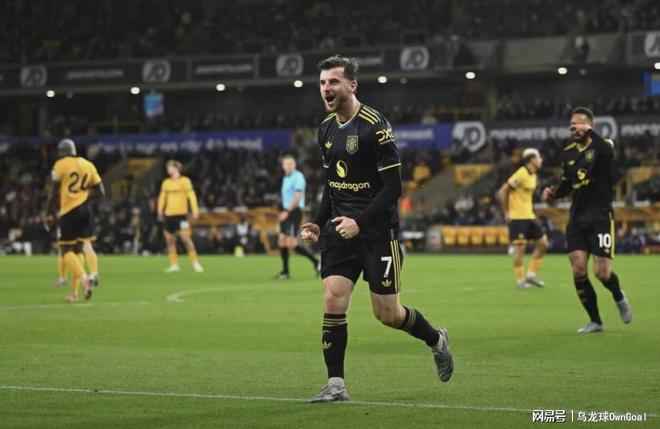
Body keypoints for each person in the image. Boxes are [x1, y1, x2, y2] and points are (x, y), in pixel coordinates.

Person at [301, 55, 454, 403]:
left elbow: (393, 188)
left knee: (388, 314)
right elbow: (331, 185)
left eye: (333, 81)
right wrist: (317, 222)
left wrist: (360, 222)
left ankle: (436, 340)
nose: (326, 88)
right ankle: (335, 385)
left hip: (376, 232)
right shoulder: (325, 129)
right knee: (333, 298)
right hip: (340, 229)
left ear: (352, 85)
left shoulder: (376, 127)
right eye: (322, 82)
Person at [542, 107, 632, 333]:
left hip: (600, 216)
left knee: (602, 273)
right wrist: (554, 193)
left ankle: (618, 296)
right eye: (571, 125)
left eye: (578, 124)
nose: (573, 128)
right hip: (577, 218)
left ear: (590, 126)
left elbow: (608, 153)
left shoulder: (602, 146)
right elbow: (567, 184)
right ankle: (595, 321)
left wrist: (590, 131)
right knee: (579, 269)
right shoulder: (568, 152)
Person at [44, 139, 104, 302]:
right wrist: (85, 199)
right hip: (86, 210)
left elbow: (53, 193)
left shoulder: (61, 165)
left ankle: (84, 279)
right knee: (82, 247)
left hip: (69, 211)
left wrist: (47, 213)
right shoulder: (88, 164)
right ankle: (86, 281)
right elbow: (101, 191)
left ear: (62, 152)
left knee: (66, 250)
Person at [496, 148, 548, 288]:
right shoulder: (521, 173)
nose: (541, 160)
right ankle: (520, 280)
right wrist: (506, 212)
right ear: (532, 159)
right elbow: (503, 191)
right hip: (518, 217)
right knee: (520, 248)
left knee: (543, 243)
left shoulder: (533, 175)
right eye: (538, 157)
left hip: (529, 216)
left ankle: (531, 274)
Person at [276, 155, 320, 279]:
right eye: (286, 164)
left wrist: (287, 211)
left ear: (295, 165)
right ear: (283, 166)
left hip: (294, 211)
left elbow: (298, 195)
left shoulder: (298, 176)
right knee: (282, 241)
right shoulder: (286, 178)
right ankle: (285, 272)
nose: (289, 166)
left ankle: (316, 262)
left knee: (291, 244)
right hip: (286, 211)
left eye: (291, 163)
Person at [157, 160, 203, 273]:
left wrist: (195, 209)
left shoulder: (185, 181)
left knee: (186, 239)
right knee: (170, 240)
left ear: (176, 168)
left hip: (181, 215)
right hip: (169, 215)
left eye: (170, 167)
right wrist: (160, 209)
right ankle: (174, 265)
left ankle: (195, 262)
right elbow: (162, 197)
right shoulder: (166, 182)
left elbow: (191, 196)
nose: (168, 169)